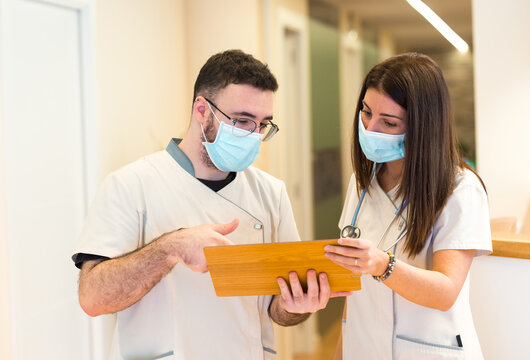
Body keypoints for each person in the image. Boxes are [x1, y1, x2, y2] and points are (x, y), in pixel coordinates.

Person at [73, 49, 343, 360]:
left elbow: (279, 310)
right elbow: (92, 298)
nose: (253, 135)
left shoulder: (271, 193)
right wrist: (172, 247)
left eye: (263, 124)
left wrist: (297, 306)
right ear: (202, 110)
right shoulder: (130, 185)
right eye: (242, 120)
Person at [324, 53, 492, 359]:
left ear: (422, 127)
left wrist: (381, 265)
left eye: (388, 122)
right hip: (363, 348)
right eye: (365, 111)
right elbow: (354, 293)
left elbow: (445, 292)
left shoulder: (460, 189)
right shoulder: (362, 183)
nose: (371, 128)